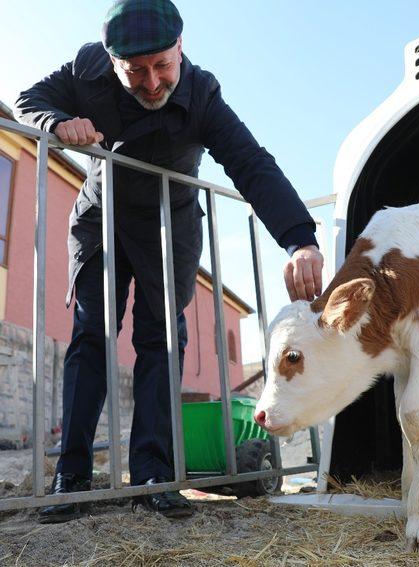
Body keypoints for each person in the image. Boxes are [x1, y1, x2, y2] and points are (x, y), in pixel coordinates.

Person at [14, 0, 323, 523]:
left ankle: (154, 474)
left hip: (169, 224)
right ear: (113, 62)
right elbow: (29, 100)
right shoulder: (86, 67)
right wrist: (58, 121)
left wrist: (299, 239)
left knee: (162, 337)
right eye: (136, 71)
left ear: (181, 47)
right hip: (102, 216)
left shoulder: (201, 92)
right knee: (92, 332)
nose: (153, 82)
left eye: (163, 65)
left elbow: (251, 164)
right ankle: (72, 474)